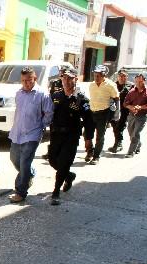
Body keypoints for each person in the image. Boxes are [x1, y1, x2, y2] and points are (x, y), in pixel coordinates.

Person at [47, 68, 94, 205]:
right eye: (64, 78)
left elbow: (89, 121)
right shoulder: (55, 96)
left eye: (70, 78)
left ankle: (56, 192)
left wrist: (88, 140)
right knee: (52, 161)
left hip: (71, 137)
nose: (67, 81)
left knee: (62, 163)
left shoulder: (81, 100)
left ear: (75, 79)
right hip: (56, 135)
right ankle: (69, 175)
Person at [8, 66, 53, 203]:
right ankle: (29, 174)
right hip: (17, 133)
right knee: (14, 159)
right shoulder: (19, 93)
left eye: (29, 80)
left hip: (32, 134)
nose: (26, 83)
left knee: (25, 162)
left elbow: (49, 113)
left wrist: (40, 126)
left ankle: (21, 191)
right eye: (23, 80)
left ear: (35, 78)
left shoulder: (42, 94)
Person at [87, 65, 119, 164]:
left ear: (104, 75)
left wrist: (116, 114)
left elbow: (116, 99)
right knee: (87, 134)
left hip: (103, 113)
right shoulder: (91, 85)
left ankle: (96, 157)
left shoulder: (111, 85)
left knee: (100, 136)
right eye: (95, 75)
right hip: (91, 112)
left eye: (98, 76)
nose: (96, 78)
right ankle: (90, 151)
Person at [123, 73, 147, 158]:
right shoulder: (132, 91)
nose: (138, 83)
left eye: (140, 81)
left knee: (136, 133)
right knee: (131, 132)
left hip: (142, 115)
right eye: (136, 81)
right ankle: (138, 145)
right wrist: (132, 107)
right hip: (132, 115)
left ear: (144, 81)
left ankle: (130, 152)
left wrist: (141, 107)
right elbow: (125, 103)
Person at [107, 70, 132, 153]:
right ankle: (117, 143)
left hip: (125, 110)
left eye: (124, 76)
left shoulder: (130, 86)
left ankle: (119, 144)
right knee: (115, 128)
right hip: (114, 110)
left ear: (126, 77)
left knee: (120, 127)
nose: (122, 77)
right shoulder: (113, 85)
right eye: (121, 76)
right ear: (118, 77)